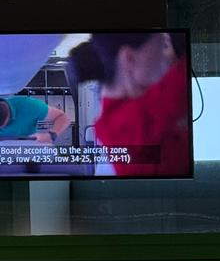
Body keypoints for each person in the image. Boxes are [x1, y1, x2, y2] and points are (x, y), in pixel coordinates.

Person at [66, 32, 189, 177]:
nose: (166, 57)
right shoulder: (124, 125)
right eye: (162, 46)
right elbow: (178, 84)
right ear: (129, 59)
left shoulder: (129, 108)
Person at [0, 95, 72, 146]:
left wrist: (51, 135)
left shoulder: (28, 105)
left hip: (26, 153)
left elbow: (63, 117)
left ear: (10, 116)